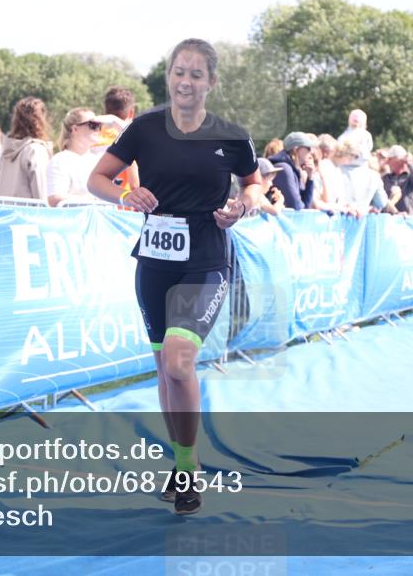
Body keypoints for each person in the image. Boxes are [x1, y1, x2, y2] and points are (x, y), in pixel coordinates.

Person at [88, 38, 261, 515]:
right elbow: (97, 179)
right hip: (154, 261)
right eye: (178, 72)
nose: (186, 82)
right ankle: (183, 462)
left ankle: (188, 470)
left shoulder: (231, 136)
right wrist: (125, 197)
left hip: (205, 257)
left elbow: (254, 182)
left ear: (211, 82)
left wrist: (242, 206)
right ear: (169, 76)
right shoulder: (144, 129)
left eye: (196, 75)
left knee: (181, 361)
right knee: (165, 367)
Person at [47, 108, 118, 206]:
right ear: (75, 129)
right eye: (92, 124)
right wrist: (92, 200)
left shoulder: (98, 158)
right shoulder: (60, 160)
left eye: (99, 125)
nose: (98, 129)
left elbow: (131, 139)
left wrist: (114, 120)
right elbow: (54, 198)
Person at [0, 97, 54, 200]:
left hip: (5, 211)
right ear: (42, 119)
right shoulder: (35, 150)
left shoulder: (7, 150)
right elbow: (41, 190)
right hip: (28, 213)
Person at [269, 132, 317, 210]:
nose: (312, 152)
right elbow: (297, 207)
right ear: (295, 150)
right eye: (308, 148)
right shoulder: (284, 169)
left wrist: (310, 178)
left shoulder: (293, 169)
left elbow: (306, 205)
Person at [381, 145, 413, 214]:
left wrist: (409, 162)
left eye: (390, 159)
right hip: (387, 218)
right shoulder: (386, 178)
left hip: (405, 220)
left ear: (399, 161)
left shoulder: (410, 178)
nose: (387, 162)